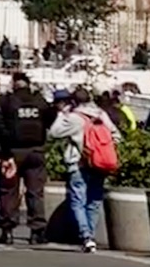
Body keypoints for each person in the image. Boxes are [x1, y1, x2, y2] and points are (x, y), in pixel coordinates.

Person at [50, 86, 117, 253]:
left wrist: (61, 114)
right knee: (94, 200)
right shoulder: (102, 115)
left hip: (78, 163)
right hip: (99, 163)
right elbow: (116, 136)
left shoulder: (74, 118)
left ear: (73, 101)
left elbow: (54, 133)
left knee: (77, 200)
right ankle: (91, 236)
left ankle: (86, 236)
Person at [0, 72, 49, 247]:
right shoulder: (39, 101)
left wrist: (4, 149)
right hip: (36, 151)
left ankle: (8, 230)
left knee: (9, 191)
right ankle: (36, 231)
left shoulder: (6, 102)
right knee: (35, 192)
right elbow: (50, 119)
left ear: (13, 84)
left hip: (13, 152)